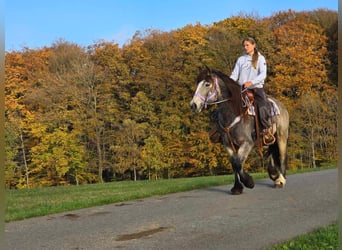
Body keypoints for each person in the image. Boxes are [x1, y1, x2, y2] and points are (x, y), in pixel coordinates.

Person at [230, 37, 274, 144]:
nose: (245, 47)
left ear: (254, 45)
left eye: (247, 45)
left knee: (262, 106)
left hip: (256, 88)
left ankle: (266, 130)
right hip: (241, 88)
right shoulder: (241, 59)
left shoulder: (260, 58)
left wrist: (251, 82)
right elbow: (235, 74)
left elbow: (263, 74)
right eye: (244, 45)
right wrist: (229, 84)